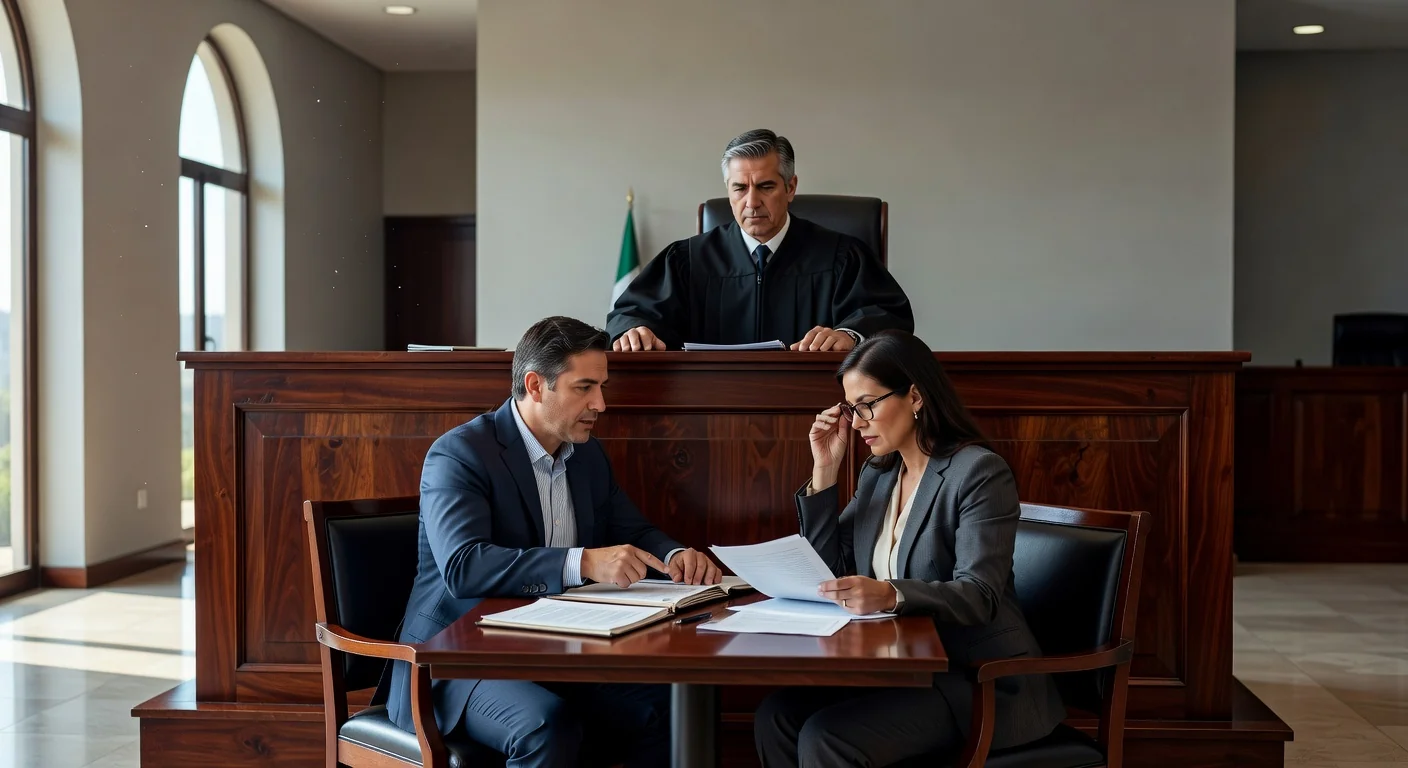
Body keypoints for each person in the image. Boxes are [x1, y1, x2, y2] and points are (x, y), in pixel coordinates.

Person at [387, 315, 723, 768]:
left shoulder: (586, 454)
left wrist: (675, 553)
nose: (600, 404)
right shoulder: (460, 454)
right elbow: (464, 568)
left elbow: (633, 530)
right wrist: (582, 562)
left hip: (554, 650)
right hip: (454, 661)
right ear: (535, 385)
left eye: (601, 387)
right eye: (584, 388)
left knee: (667, 709)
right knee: (546, 725)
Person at [753, 330, 1065, 767]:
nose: (857, 421)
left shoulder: (977, 473)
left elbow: (980, 595)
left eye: (868, 405)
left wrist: (891, 594)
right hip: (900, 669)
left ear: (915, 396)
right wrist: (825, 472)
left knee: (829, 738)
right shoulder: (878, 476)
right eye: (850, 408)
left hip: (974, 679)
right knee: (777, 716)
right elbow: (829, 571)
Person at [607, 129, 913, 352]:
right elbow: (629, 313)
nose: (752, 202)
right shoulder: (687, 260)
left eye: (766, 186)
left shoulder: (841, 257)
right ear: (728, 190)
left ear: (790, 187)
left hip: (821, 410)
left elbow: (889, 316)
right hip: (706, 413)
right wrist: (636, 331)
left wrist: (849, 335)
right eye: (740, 188)